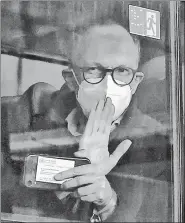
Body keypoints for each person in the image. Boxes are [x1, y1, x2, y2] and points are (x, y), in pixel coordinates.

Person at [3, 21, 171, 222]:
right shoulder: (26, 119)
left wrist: (108, 203)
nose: (109, 84)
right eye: (93, 70)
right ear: (71, 79)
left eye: (123, 71)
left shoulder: (159, 145)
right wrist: (67, 182)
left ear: (135, 82)